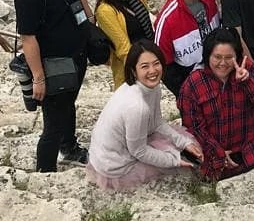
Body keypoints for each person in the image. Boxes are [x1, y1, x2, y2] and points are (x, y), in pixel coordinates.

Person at [14, 0, 93, 171]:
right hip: (52, 66)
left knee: (69, 106)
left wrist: (91, 23)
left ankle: (69, 147)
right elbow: (29, 38)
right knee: (53, 124)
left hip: (76, 57)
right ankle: (44, 171)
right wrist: (38, 79)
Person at [86, 40, 203, 190]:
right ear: (134, 71)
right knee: (179, 167)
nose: (153, 71)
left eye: (156, 63)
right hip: (115, 163)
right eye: (144, 66)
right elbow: (139, 152)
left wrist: (183, 142)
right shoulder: (137, 106)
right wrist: (174, 160)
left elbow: (157, 123)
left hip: (123, 145)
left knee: (182, 142)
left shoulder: (150, 88)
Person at [177, 28, 254, 182]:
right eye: (217, 57)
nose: (222, 63)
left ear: (237, 56)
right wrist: (218, 152)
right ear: (207, 55)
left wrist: (248, 82)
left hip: (249, 151)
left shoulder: (246, 68)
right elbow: (193, 127)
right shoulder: (193, 84)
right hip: (212, 156)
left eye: (229, 57)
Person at [154, 0, 220, 97]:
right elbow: (164, 67)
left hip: (219, 76)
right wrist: (187, 95)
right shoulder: (166, 21)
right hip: (191, 88)